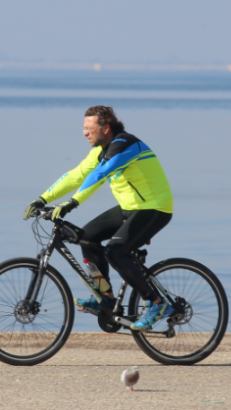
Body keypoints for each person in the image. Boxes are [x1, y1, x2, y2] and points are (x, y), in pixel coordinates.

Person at [23, 105, 174, 330]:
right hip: (129, 208)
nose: (84, 133)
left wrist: (72, 203)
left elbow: (100, 174)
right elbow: (75, 176)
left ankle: (157, 303)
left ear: (105, 128)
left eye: (89, 128)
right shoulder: (100, 150)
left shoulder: (126, 145)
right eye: (84, 128)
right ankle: (107, 297)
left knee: (115, 251)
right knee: (86, 238)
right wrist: (42, 199)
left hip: (155, 208)